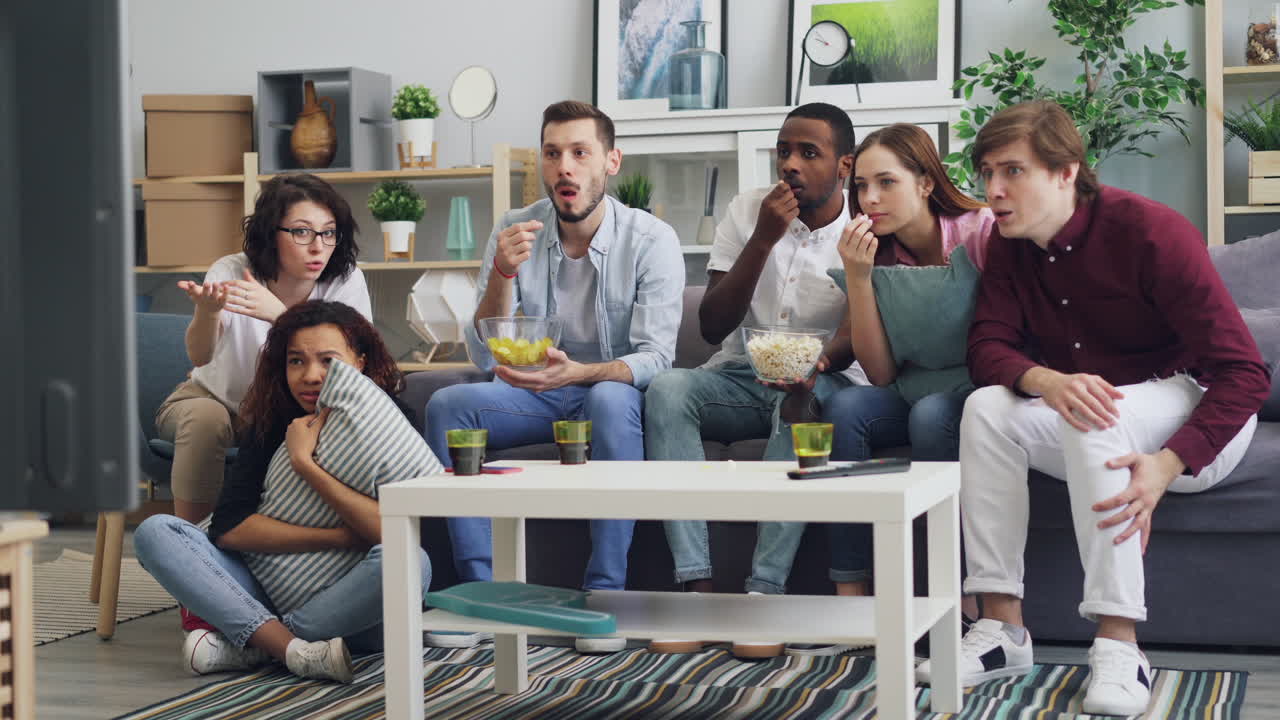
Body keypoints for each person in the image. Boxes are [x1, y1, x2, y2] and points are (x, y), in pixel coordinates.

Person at [914, 100, 1269, 717]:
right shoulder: (1007, 245)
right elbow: (987, 348)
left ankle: (1119, 643)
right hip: (1100, 422)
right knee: (986, 409)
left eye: (1012, 172)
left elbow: (1243, 373)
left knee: (1093, 411)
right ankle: (1002, 631)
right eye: (987, 173)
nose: (992, 191)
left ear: (1065, 172)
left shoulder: (1150, 231)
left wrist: (1166, 463)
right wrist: (1045, 379)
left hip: (1198, 416)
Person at [424, 100, 684, 655]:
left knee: (613, 399)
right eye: (552, 153)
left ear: (610, 162)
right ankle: (483, 593)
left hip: (607, 393)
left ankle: (604, 595)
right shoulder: (515, 228)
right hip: (538, 396)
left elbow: (656, 358)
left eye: (579, 152)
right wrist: (501, 272)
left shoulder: (651, 239)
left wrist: (581, 371)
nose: (564, 166)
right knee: (448, 405)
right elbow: (480, 351)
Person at [643, 102, 864, 660]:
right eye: (783, 150)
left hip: (825, 375)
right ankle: (696, 590)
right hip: (744, 370)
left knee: (802, 419)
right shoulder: (748, 212)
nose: (789, 164)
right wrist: (763, 239)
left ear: (844, 167)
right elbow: (713, 324)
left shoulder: (865, 224)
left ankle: (763, 597)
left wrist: (813, 373)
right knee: (668, 389)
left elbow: (863, 331)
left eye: (808, 153)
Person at [134, 301, 430, 683]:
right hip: (263, 587)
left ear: (359, 360)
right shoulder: (273, 419)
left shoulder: (394, 422)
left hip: (352, 612)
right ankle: (293, 650)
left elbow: (394, 533)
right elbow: (230, 528)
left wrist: (305, 465)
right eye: (296, 361)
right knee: (155, 532)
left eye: (328, 360)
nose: (311, 375)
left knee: (411, 562)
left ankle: (260, 645)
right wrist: (340, 537)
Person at [813, 123, 993, 638]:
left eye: (886, 182)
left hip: (977, 389)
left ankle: (957, 598)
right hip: (910, 386)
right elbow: (881, 372)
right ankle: (853, 598)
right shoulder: (875, 252)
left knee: (933, 415)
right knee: (846, 409)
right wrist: (858, 277)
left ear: (926, 182)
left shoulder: (979, 233)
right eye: (862, 186)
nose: (870, 199)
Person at [156, 173, 371, 526]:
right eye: (302, 232)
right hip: (214, 401)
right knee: (205, 421)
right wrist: (207, 313)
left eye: (328, 232)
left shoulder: (346, 278)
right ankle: (190, 546)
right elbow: (199, 357)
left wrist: (279, 316)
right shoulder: (231, 270)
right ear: (272, 232)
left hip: (291, 409)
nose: (318, 246)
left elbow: (353, 370)